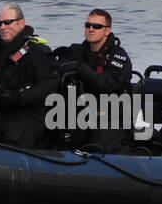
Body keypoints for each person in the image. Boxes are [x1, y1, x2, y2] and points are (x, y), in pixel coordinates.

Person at [0, 4, 58, 148]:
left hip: (27, 113)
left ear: (21, 23)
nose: (3, 27)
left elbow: (48, 86)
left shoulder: (37, 51)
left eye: (7, 22)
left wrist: (19, 97)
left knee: (12, 135)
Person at [52, 8, 134, 153]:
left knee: (98, 143)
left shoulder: (118, 56)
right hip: (79, 111)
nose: (91, 29)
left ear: (107, 31)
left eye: (96, 26)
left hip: (110, 113)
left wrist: (80, 68)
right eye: (87, 25)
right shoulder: (76, 51)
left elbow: (107, 84)